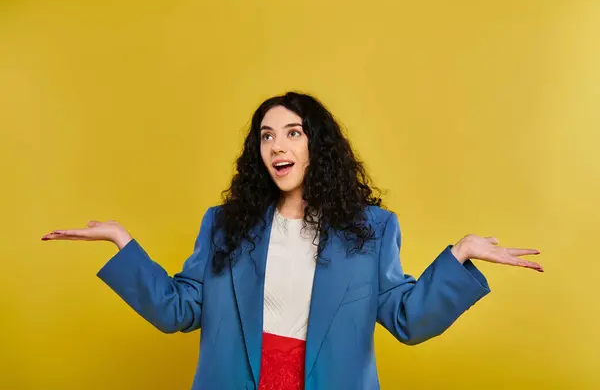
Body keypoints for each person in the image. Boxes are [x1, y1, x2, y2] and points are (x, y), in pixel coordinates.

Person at [42, 92, 543, 390]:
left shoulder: (372, 229)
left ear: (316, 146)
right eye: (266, 135)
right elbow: (180, 309)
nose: (277, 144)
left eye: (293, 132)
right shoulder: (223, 225)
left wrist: (459, 256)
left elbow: (406, 318)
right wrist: (123, 245)